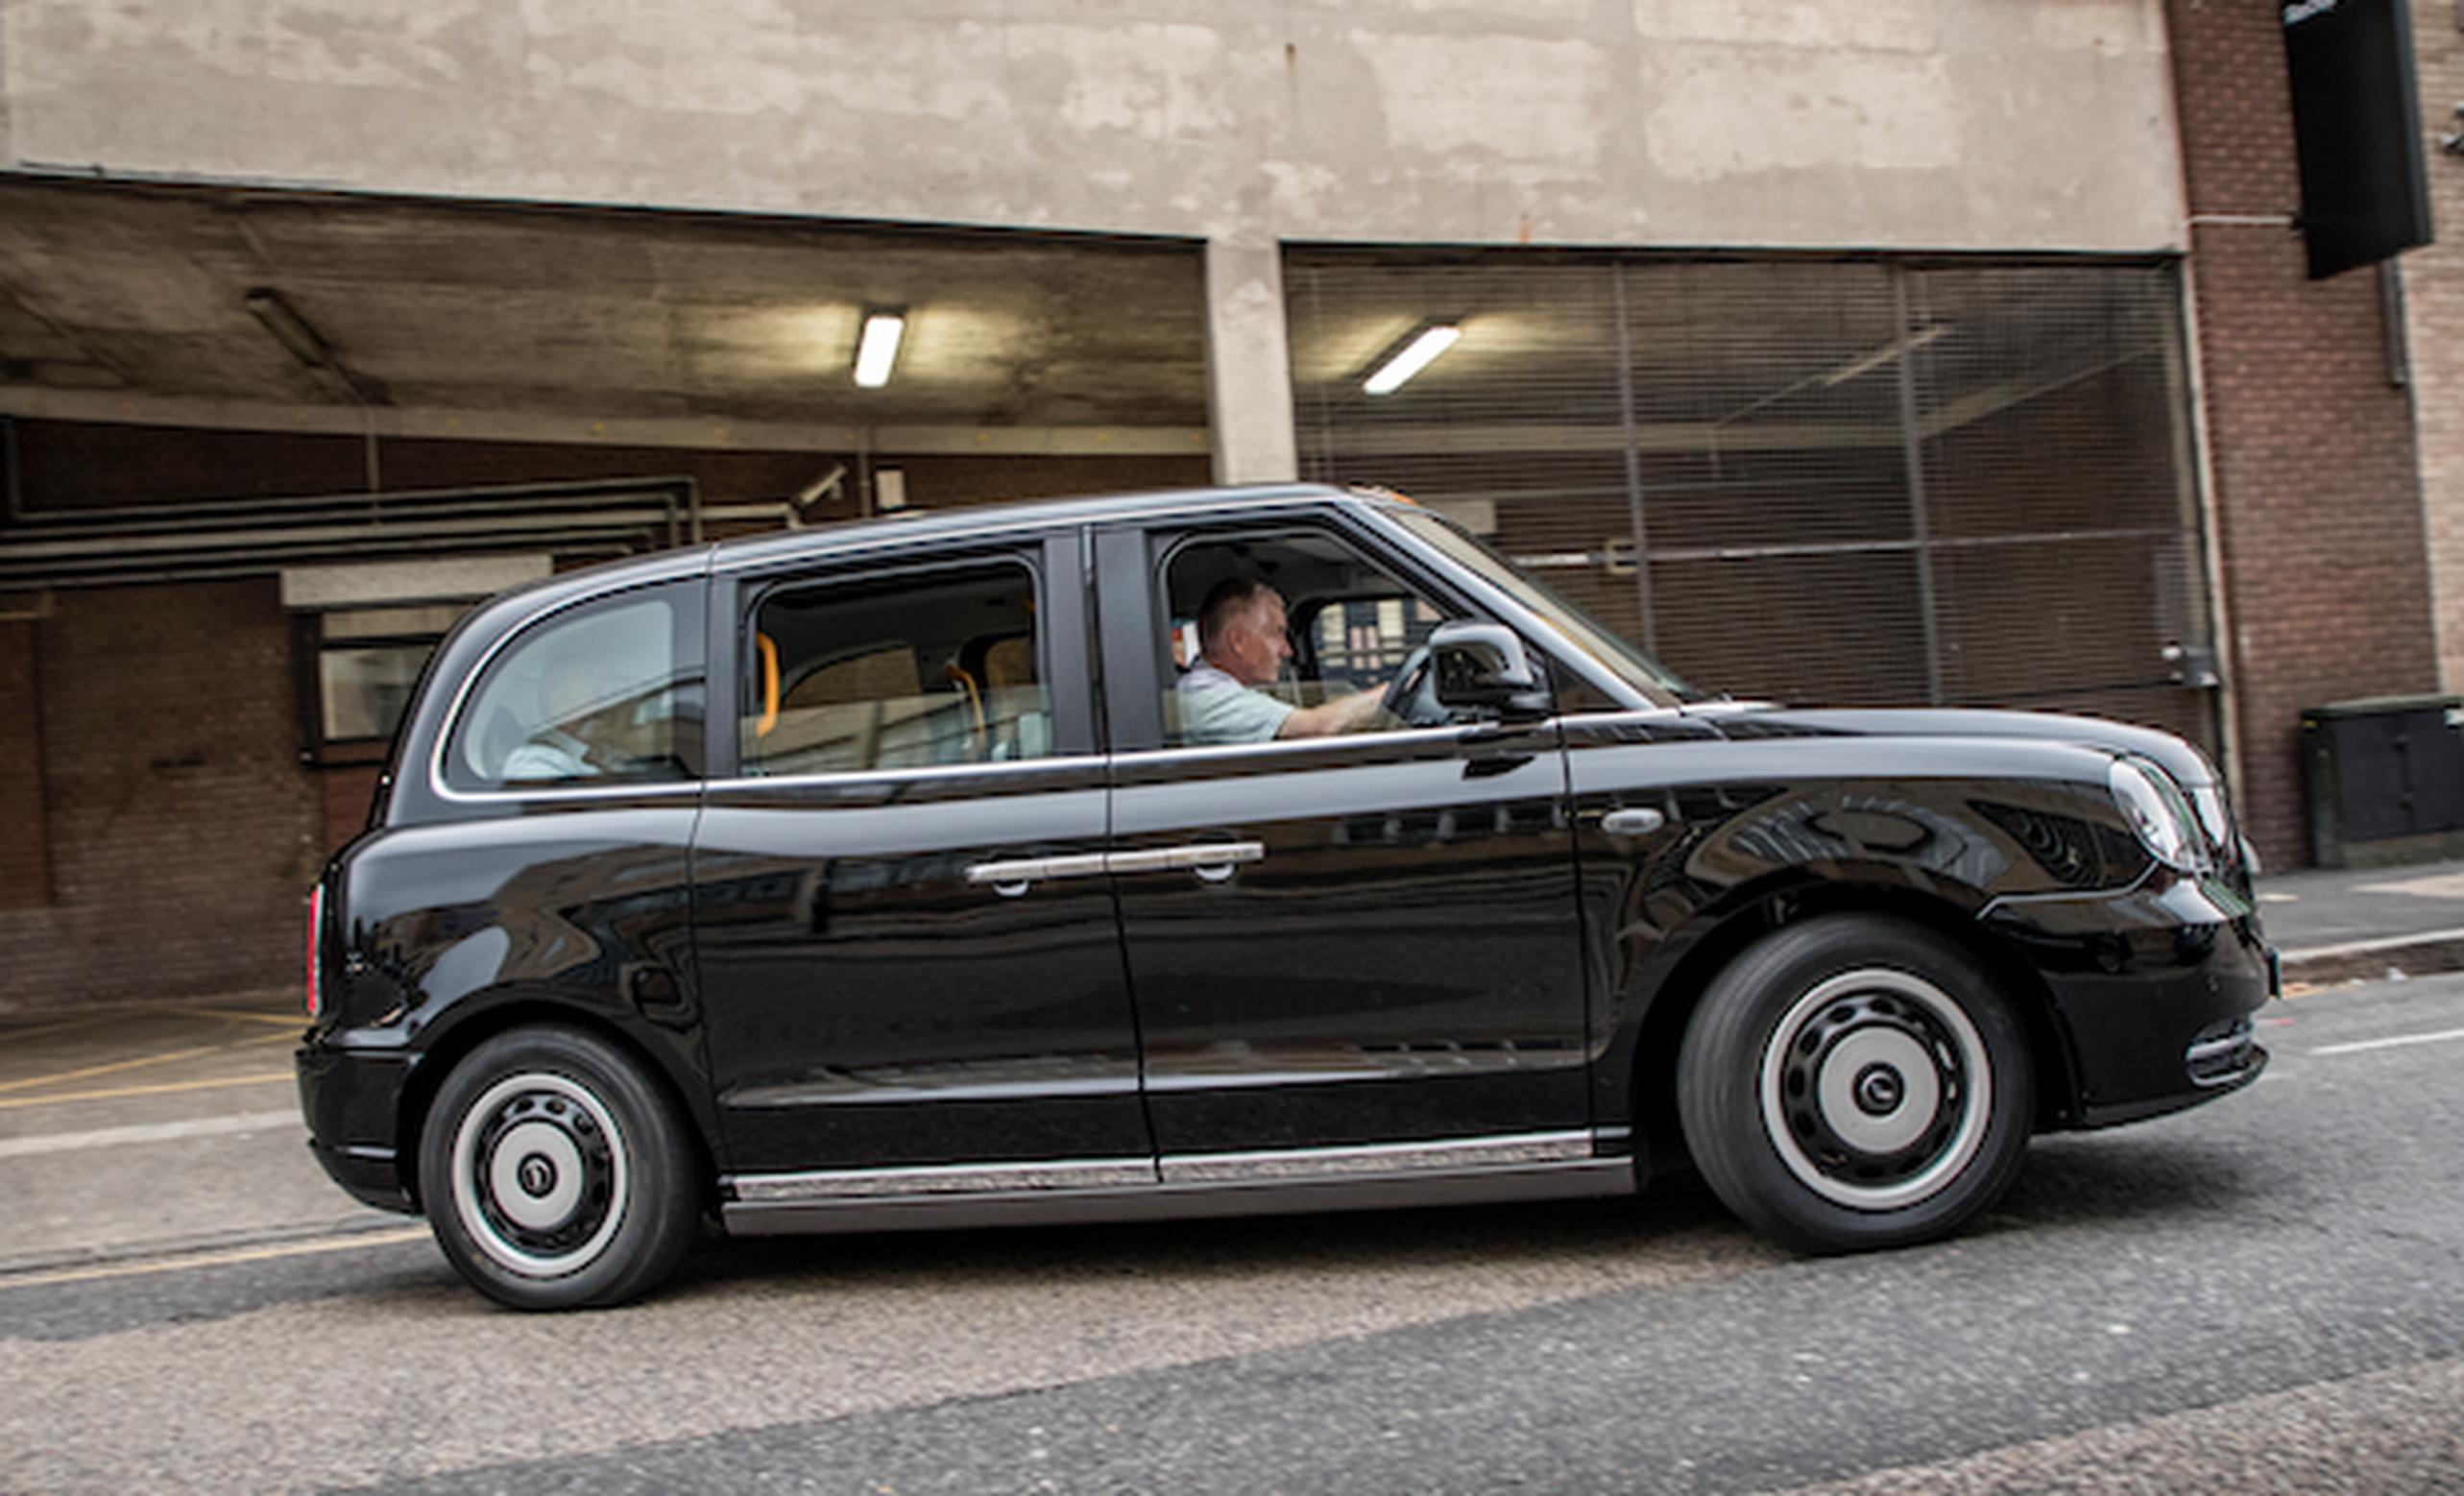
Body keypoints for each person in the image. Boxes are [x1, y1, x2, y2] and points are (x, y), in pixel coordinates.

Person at [1176, 577, 1393, 744]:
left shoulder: (1219, 690)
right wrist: (1393, 691)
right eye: (1276, 633)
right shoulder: (1206, 697)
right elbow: (1319, 728)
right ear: (1238, 641)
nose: (1287, 650)